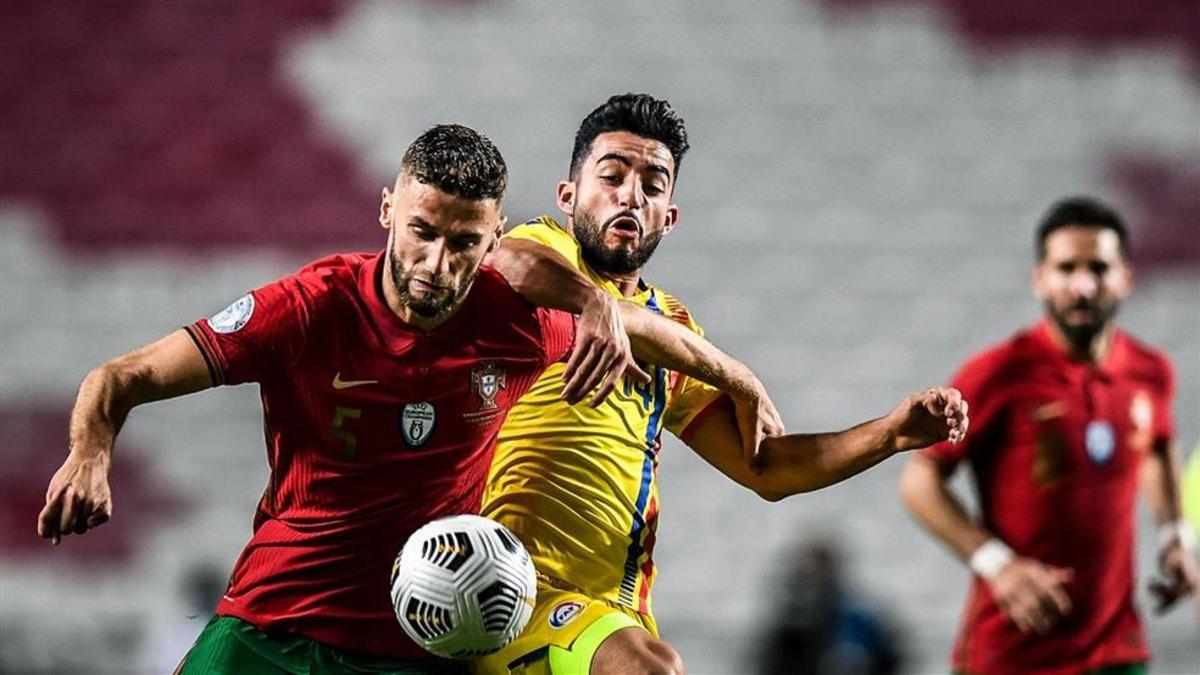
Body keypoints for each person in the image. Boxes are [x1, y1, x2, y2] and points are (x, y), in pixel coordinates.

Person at [35, 124, 765, 675]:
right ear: (387, 209)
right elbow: (121, 376)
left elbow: (648, 329)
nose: (436, 263)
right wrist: (90, 451)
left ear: (494, 241)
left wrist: (738, 377)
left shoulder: (511, 324)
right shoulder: (307, 308)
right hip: (272, 625)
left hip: (413, 650)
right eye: (421, 231)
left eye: (463, 243)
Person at [475, 93, 969, 675]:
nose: (631, 194)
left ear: (669, 216)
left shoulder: (676, 331)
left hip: (609, 608)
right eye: (611, 176)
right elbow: (511, 262)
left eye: (653, 185)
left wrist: (889, 434)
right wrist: (740, 377)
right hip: (510, 586)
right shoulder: (544, 256)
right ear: (567, 196)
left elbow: (766, 469)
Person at [899, 197, 1199, 674]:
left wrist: (1174, 535)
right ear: (1040, 278)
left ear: (1126, 277)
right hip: (1013, 651)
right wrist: (998, 565)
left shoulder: (1150, 372)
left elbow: (1157, 446)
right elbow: (919, 481)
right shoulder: (999, 373)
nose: (1082, 285)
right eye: (1066, 268)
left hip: (1115, 650)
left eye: (1098, 268)